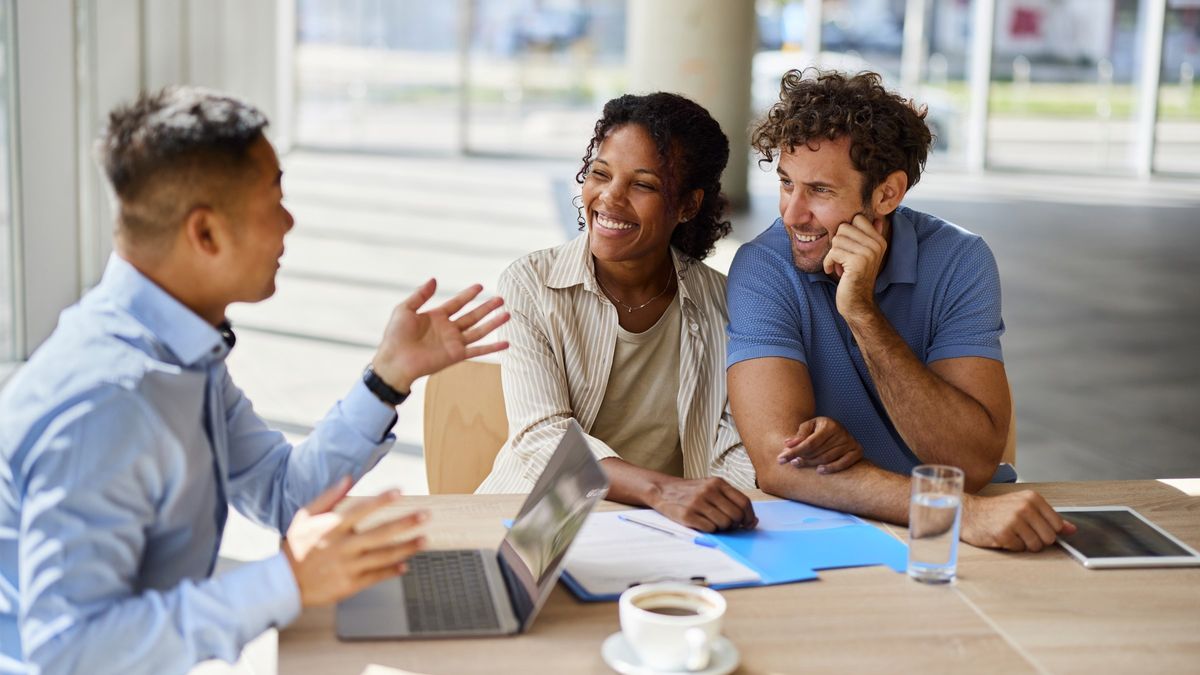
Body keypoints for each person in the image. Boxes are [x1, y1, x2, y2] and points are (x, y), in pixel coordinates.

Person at [0, 87, 508, 673]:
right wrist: (286, 580)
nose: (290, 221)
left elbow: (282, 493)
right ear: (206, 234)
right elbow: (68, 652)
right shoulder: (107, 402)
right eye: (276, 198)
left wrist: (387, 379)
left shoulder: (181, 351)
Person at [727, 69, 1076, 552]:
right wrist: (958, 512)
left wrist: (862, 313)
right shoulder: (763, 268)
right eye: (787, 183)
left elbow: (969, 464)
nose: (791, 213)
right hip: (846, 523)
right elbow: (779, 464)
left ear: (887, 193)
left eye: (820, 191)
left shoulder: (959, 259)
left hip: (969, 528)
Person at [478, 93, 808, 532]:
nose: (610, 198)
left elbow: (729, 446)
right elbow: (543, 438)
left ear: (688, 205)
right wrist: (661, 490)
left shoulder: (723, 303)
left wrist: (750, 488)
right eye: (600, 173)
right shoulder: (532, 284)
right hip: (537, 521)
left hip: (665, 530)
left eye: (643, 184)